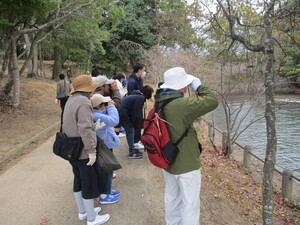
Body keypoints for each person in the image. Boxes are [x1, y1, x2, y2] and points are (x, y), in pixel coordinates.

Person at [156, 67, 218, 225]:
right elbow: (212, 101)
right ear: (182, 86)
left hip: (168, 159)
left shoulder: (160, 101)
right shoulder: (181, 104)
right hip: (186, 163)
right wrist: (198, 86)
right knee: (190, 203)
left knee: (172, 198)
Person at [62, 75, 110, 225]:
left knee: (78, 179)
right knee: (88, 181)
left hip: (71, 148)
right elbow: (85, 128)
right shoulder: (84, 102)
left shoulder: (71, 99)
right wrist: (91, 150)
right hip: (82, 150)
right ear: (88, 89)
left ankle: (83, 212)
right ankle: (91, 218)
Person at [90, 94, 121, 204]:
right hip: (102, 146)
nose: (106, 106)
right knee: (105, 170)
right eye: (104, 104)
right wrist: (111, 106)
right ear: (99, 106)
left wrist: (107, 104)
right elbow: (114, 120)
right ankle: (104, 195)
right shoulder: (95, 115)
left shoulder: (96, 113)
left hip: (105, 145)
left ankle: (107, 190)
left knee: (108, 169)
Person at [119, 85, 154, 159]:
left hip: (122, 114)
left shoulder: (136, 95)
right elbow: (135, 112)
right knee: (130, 132)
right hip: (124, 115)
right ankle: (132, 153)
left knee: (131, 132)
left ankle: (133, 150)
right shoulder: (140, 98)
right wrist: (134, 123)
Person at [127, 63, 146, 149]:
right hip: (134, 106)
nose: (144, 72)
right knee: (135, 123)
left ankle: (138, 140)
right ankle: (134, 144)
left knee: (139, 122)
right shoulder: (132, 81)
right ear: (139, 70)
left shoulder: (140, 80)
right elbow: (131, 95)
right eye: (143, 70)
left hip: (140, 104)